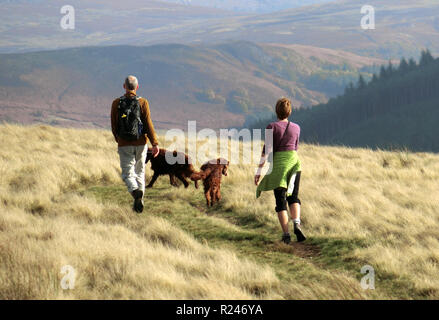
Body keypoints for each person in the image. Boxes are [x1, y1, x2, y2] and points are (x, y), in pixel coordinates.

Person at [254, 98, 306, 244]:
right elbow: (295, 147)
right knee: (293, 197)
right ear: (289, 111)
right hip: (294, 164)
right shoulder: (296, 127)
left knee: (280, 201)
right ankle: (296, 223)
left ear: (276, 111)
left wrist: (259, 171)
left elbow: (267, 150)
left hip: (279, 166)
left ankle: (286, 235)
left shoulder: (272, 127)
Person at [111, 75, 159, 213]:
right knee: (140, 172)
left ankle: (134, 191)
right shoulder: (143, 102)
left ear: (124, 86)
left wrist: (119, 139)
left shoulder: (116, 103)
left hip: (124, 143)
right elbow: (148, 124)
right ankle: (140, 201)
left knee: (127, 174)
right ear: (137, 87)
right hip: (141, 143)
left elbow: (114, 125)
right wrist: (154, 143)